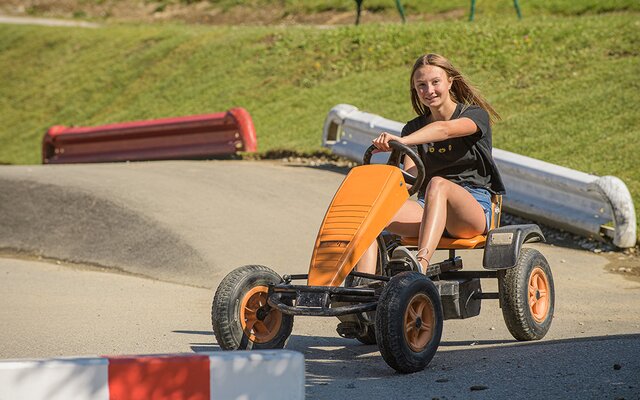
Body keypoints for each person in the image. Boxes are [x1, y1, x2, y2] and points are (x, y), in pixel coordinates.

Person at [357, 53, 506, 274]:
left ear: (449, 82)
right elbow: (410, 180)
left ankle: (420, 268)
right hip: (426, 208)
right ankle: (363, 287)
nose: (429, 91)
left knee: (438, 184)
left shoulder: (474, 115)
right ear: (415, 90)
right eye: (422, 85)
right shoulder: (413, 128)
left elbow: (444, 130)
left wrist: (401, 141)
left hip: (471, 211)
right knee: (369, 213)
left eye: (435, 82)